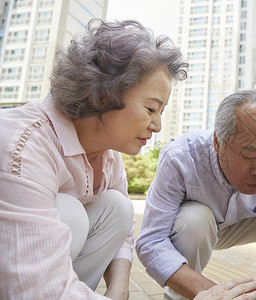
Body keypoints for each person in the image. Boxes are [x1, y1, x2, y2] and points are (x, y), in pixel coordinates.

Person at [0, 19, 190, 299]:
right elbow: (35, 287)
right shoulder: (26, 145)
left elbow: (125, 233)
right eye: (151, 108)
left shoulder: (109, 157)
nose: (157, 126)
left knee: (119, 206)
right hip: (23, 282)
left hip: (47, 281)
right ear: (101, 95)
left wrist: (118, 288)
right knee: (71, 212)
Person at [136, 89, 256, 300]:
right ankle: (180, 296)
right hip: (194, 230)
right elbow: (151, 241)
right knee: (196, 218)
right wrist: (218, 294)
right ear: (218, 142)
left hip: (243, 226)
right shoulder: (180, 158)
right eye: (249, 155)